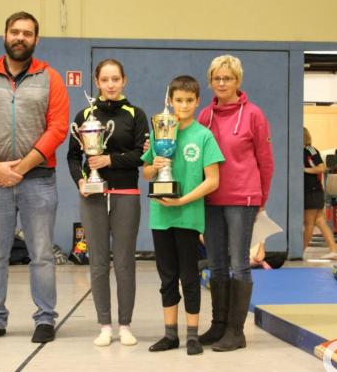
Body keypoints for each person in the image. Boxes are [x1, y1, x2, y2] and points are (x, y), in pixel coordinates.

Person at [0, 11, 70, 344]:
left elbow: (58, 128)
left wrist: (19, 169)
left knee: (41, 253)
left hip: (38, 179)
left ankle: (45, 320)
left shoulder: (50, 78)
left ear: (36, 40)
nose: (20, 37)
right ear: (5, 35)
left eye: (27, 33)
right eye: (15, 31)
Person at [67, 58, 149, 347]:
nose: (111, 84)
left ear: (124, 80)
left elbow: (141, 154)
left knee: (125, 261)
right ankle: (104, 325)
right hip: (93, 196)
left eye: (116, 79)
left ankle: (125, 324)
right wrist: (80, 180)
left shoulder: (136, 114)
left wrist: (109, 160)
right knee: (98, 261)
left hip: (126, 193)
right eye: (105, 79)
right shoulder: (84, 115)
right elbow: (73, 156)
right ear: (97, 81)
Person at [142, 75, 224, 356]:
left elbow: (213, 180)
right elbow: (146, 173)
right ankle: (169, 334)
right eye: (179, 100)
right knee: (167, 277)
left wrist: (182, 200)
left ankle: (192, 335)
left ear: (197, 101)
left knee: (189, 276)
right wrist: (155, 165)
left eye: (189, 101)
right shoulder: (159, 130)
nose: (184, 105)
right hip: (160, 217)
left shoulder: (203, 136)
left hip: (188, 216)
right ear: (170, 101)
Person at [197, 54, 274, 352]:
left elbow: (265, 161)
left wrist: (261, 200)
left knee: (239, 263)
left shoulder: (253, 114)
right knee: (216, 264)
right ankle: (218, 325)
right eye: (216, 78)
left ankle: (236, 331)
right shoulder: (206, 116)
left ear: (238, 81)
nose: (221, 83)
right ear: (210, 81)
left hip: (243, 199)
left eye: (227, 78)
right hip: (212, 199)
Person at [303, 127, 337, 259]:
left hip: (312, 192)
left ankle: (299, 252)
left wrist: (303, 169)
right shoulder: (300, 151)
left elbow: (321, 168)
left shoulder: (309, 150)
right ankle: (334, 250)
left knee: (309, 223)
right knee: (319, 221)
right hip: (311, 191)